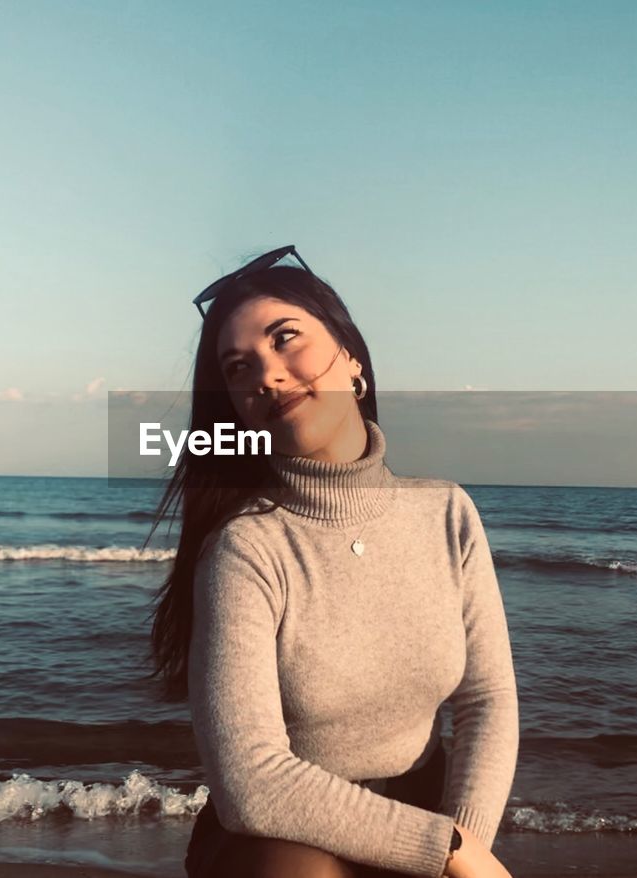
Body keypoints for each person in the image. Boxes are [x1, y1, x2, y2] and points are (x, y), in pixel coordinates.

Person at [144, 247, 519, 878]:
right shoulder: (247, 549)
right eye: (239, 369)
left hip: (424, 815)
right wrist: (449, 853)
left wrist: (465, 847)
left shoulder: (447, 512)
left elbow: (488, 699)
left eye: (285, 338)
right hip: (280, 839)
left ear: (351, 356)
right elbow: (252, 784)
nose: (266, 374)